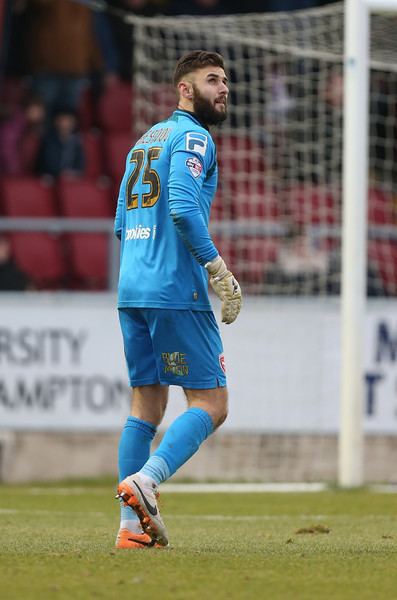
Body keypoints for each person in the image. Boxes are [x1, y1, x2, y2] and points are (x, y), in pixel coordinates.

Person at [113, 50, 242, 549]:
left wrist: (143, 270)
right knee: (212, 401)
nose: (223, 88)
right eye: (212, 80)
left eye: (226, 80)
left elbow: (122, 224)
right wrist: (216, 269)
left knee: (145, 402)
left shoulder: (145, 141)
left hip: (132, 289)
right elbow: (185, 207)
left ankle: (129, 531)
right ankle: (148, 481)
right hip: (175, 289)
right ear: (184, 90)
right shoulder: (194, 136)